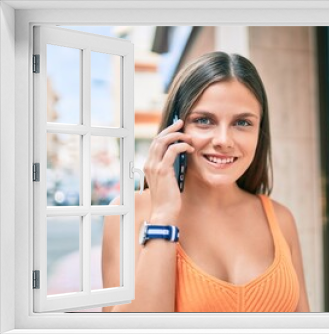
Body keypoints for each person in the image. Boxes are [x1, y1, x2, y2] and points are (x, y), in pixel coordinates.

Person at [101, 51, 310, 312]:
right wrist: (163, 216)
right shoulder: (127, 214)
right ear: (175, 128)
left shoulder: (280, 219)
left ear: (260, 132)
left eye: (242, 122)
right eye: (204, 120)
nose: (224, 139)